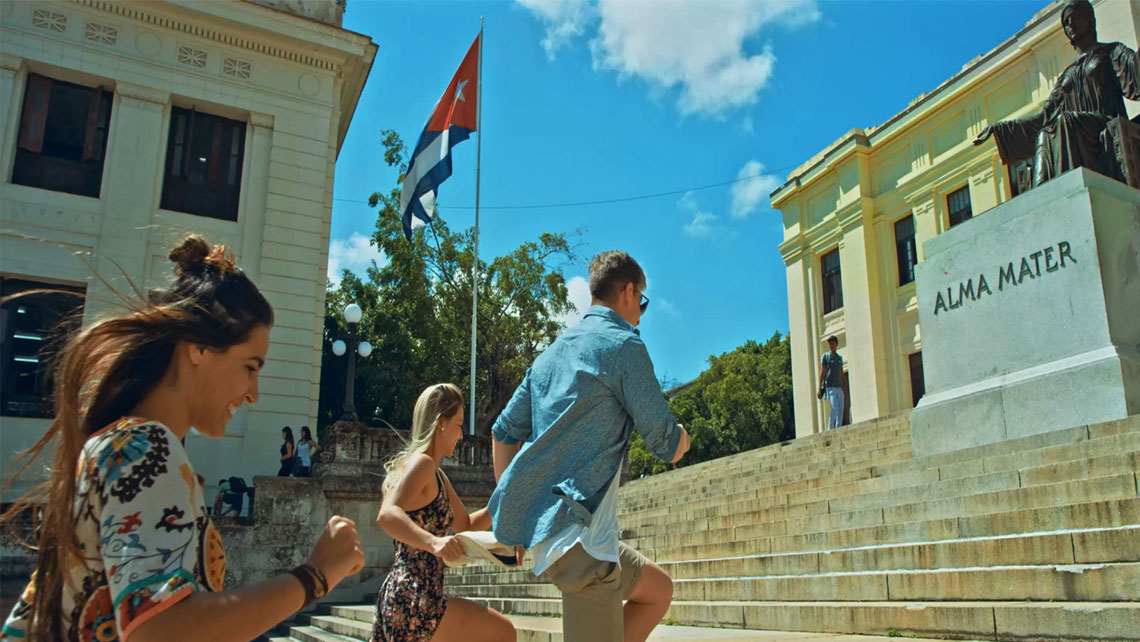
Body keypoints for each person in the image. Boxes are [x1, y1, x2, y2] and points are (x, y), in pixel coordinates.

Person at [0, 235, 365, 642]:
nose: (253, 393)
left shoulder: (117, 443)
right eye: (250, 366)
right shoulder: (147, 450)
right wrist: (314, 576)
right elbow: (161, 629)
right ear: (199, 349)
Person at [488, 250, 691, 642]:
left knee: (657, 591)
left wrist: (512, 520)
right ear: (629, 292)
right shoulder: (623, 345)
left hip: (574, 539)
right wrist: (684, 437)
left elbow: (503, 433)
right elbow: (666, 442)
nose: (639, 314)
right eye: (641, 303)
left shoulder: (549, 355)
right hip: (581, 543)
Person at [372, 383, 514, 642]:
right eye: (459, 424)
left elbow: (466, 524)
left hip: (412, 597)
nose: (461, 435)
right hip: (414, 597)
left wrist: (506, 497)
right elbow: (387, 514)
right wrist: (435, 542)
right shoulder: (423, 464)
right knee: (503, 633)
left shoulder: (436, 474)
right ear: (441, 423)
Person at [974, 0, 1140, 187]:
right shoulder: (1067, 75)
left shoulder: (1111, 52)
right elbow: (1044, 117)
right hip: (1076, 130)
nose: (1070, 25)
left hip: (1105, 125)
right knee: (1045, 134)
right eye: (1066, 22)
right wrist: (1000, 129)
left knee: (1064, 122)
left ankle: (1067, 187)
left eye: (1074, 17)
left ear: (1089, 19)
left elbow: (1135, 75)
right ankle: (1045, 195)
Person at [818, 335, 846, 430]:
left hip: (839, 387)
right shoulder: (826, 356)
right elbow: (822, 372)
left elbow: (841, 373)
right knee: (834, 408)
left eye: (833, 342)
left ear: (836, 344)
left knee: (840, 410)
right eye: (830, 343)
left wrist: (844, 388)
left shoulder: (839, 358)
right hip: (830, 387)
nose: (831, 344)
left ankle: (839, 428)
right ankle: (830, 428)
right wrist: (819, 388)